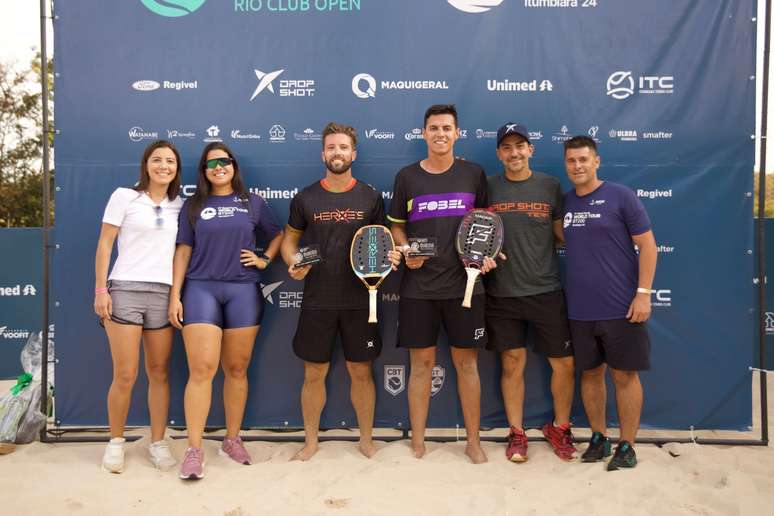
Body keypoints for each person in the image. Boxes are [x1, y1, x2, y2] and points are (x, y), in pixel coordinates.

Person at [281, 122, 401, 461]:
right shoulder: (305, 197)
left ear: (354, 154)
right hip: (318, 298)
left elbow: (383, 239)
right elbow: (290, 239)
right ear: (323, 153)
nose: (338, 153)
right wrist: (293, 261)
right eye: (332, 147)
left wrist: (392, 255)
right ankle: (310, 442)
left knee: (360, 371)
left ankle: (366, 439)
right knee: (313, 372)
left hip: (361, 300)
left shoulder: (370, 196)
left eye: (344, 147)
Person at [169, 142, 283, 480]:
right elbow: (183, 252)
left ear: (233, 165)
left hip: (243, 291)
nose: (219, 167)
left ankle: (232, 440)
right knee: (201, 370)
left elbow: (277, 235)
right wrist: (175, 296)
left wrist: (265, 259)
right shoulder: (194, 206)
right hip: (201, 288)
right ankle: (194, 450)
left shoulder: (253, 203)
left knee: (236, 368)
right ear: (203, 171)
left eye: (224, 161)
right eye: (211, 163)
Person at [388, 104, 491, 464]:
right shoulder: (406, 177)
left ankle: (473, 442)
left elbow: (487, 225)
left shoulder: (474, 175)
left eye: (447, 128)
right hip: (419, 287)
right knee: (420, 366)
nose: (440, 134)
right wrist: (403, 247)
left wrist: (488, 256)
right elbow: (397, 225)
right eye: (433, 128)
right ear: (424, 133)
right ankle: (418, 441)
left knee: (467, 365)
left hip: (466, 286)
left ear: (457, 133)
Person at [562, 135, 657, 471]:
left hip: (621, 308)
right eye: (572, 161)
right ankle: (599, 437)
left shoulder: (621, 196)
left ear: (596, 161)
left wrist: (643, 294)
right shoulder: (567, 203)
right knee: (589, 376)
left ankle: (628, 444)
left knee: (624, 377)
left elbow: (648, 246)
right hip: (580, 310)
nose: (578, 166)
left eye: (584, 160)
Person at [485, 123, 577, 463]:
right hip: (502, 294)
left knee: (564, 364)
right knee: (512, 363)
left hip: (546, 290)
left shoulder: (551, 186)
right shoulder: (488, 187)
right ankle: (517, 432)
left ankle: (560, 427)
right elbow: (477, 232)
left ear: (531, 150)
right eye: (506, 147)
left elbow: (561, 235)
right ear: (499, 154)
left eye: (520, 146)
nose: (514, 153)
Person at [94, 140, 184, 473]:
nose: (164, 165)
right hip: (125, 290)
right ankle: (116, 442)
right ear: (146, 164)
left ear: (177, 169)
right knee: (126, 373)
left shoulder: (180, 205)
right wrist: (101, 289)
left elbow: (181, 254)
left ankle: (158, 442)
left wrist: (176, 294)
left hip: (162, 294)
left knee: (159, 373)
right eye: (157, 159)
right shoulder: (124, 197)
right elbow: (105, 244)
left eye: (170, 161)